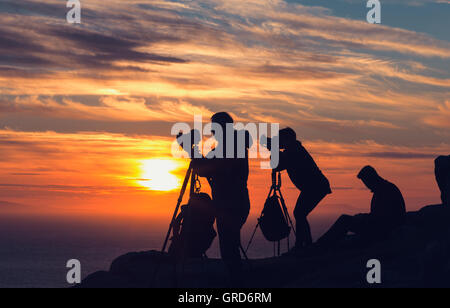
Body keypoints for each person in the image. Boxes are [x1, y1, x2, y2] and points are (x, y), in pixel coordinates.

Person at [181, 112, 251, 285]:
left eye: (214, 126)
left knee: (229, 248)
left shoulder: (231, 146)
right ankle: (237, 280)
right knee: (230, 245)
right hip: (232, 202)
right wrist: (192, 150)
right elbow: (205, 167)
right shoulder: (231, 145)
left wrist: (190, 149)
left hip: (230, 203)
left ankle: (237, 282)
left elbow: (205, 169)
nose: (212, 131)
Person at [271, 128, 332, 254]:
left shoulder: (294, 150)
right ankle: (304, 244)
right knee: (300, 213)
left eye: (280, 139)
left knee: (299, 213)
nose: (279, 142)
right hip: (314, 187)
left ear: (287, 139)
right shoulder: (293, 149)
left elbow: (277, 165)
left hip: (315, 187)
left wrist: (273, 149)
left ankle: (303, 245)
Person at [317, 166, 406, 247]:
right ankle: (325, 244)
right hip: (383, 226)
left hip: (383, 230)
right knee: (347, 220)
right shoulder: (385, 188)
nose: (366, 185)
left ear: (370, 179)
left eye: (365, 181)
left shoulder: (385, 190)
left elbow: (382, 217)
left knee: (344, 220)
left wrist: (363, 217)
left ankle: (321, 245)